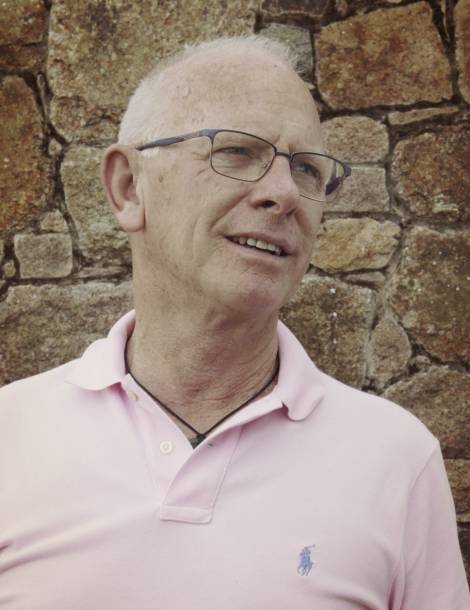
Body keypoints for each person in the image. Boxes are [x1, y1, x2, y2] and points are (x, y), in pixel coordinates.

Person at [0, 36, 468, 610]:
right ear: (128, 187)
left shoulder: (396, 461)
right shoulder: (11, 438)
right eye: (238, 152)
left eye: (307, 169)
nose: (284, 194)